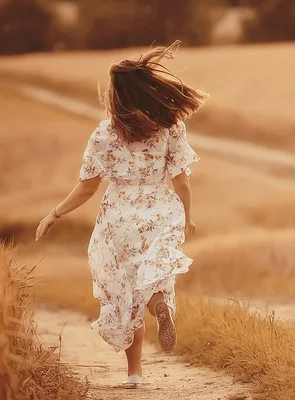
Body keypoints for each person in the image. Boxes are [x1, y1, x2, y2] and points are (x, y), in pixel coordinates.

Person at [35, 40, 208, 389]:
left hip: (119, 217)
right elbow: (182, 182)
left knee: (126, 293)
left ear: (117, 95)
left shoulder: (105, 134)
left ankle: (135, 374)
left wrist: (54, 213)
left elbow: (86, 188)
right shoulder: (171, 127)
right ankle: (160, 303)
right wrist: (187, 217)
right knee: (153, 278)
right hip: (159, 209)